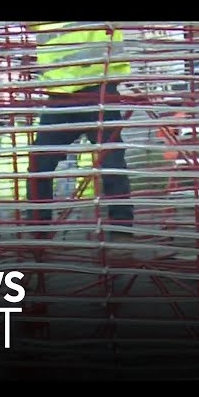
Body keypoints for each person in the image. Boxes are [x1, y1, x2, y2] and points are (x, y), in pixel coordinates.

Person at [25, 22, 133, 241]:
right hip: (61, 93)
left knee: (111, 161)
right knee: (39, 164)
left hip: (98, 86)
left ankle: (122, 229)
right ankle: (38, 232)